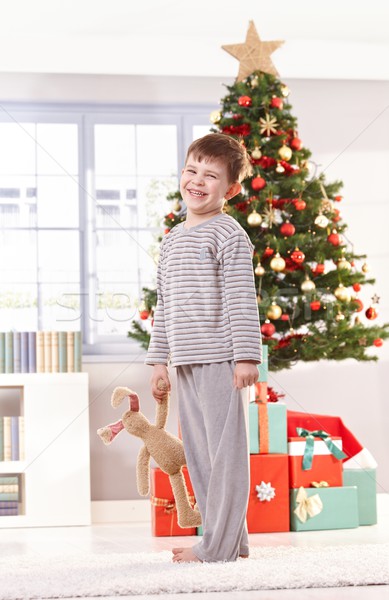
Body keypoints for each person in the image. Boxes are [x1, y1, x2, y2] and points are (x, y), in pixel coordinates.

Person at [145, 133, 262, 563]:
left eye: (210, 176)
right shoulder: (174, 239)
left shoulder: (228, 233)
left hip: (221, 360)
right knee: (199, 455)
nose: (197, 181)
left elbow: (240, 296)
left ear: (229, 190)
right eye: (192, 170)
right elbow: (165, 303)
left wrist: (247, 355)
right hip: (186, 363)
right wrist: (159, 360)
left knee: (225, 455)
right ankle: (232, 541)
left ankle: (216, 547)